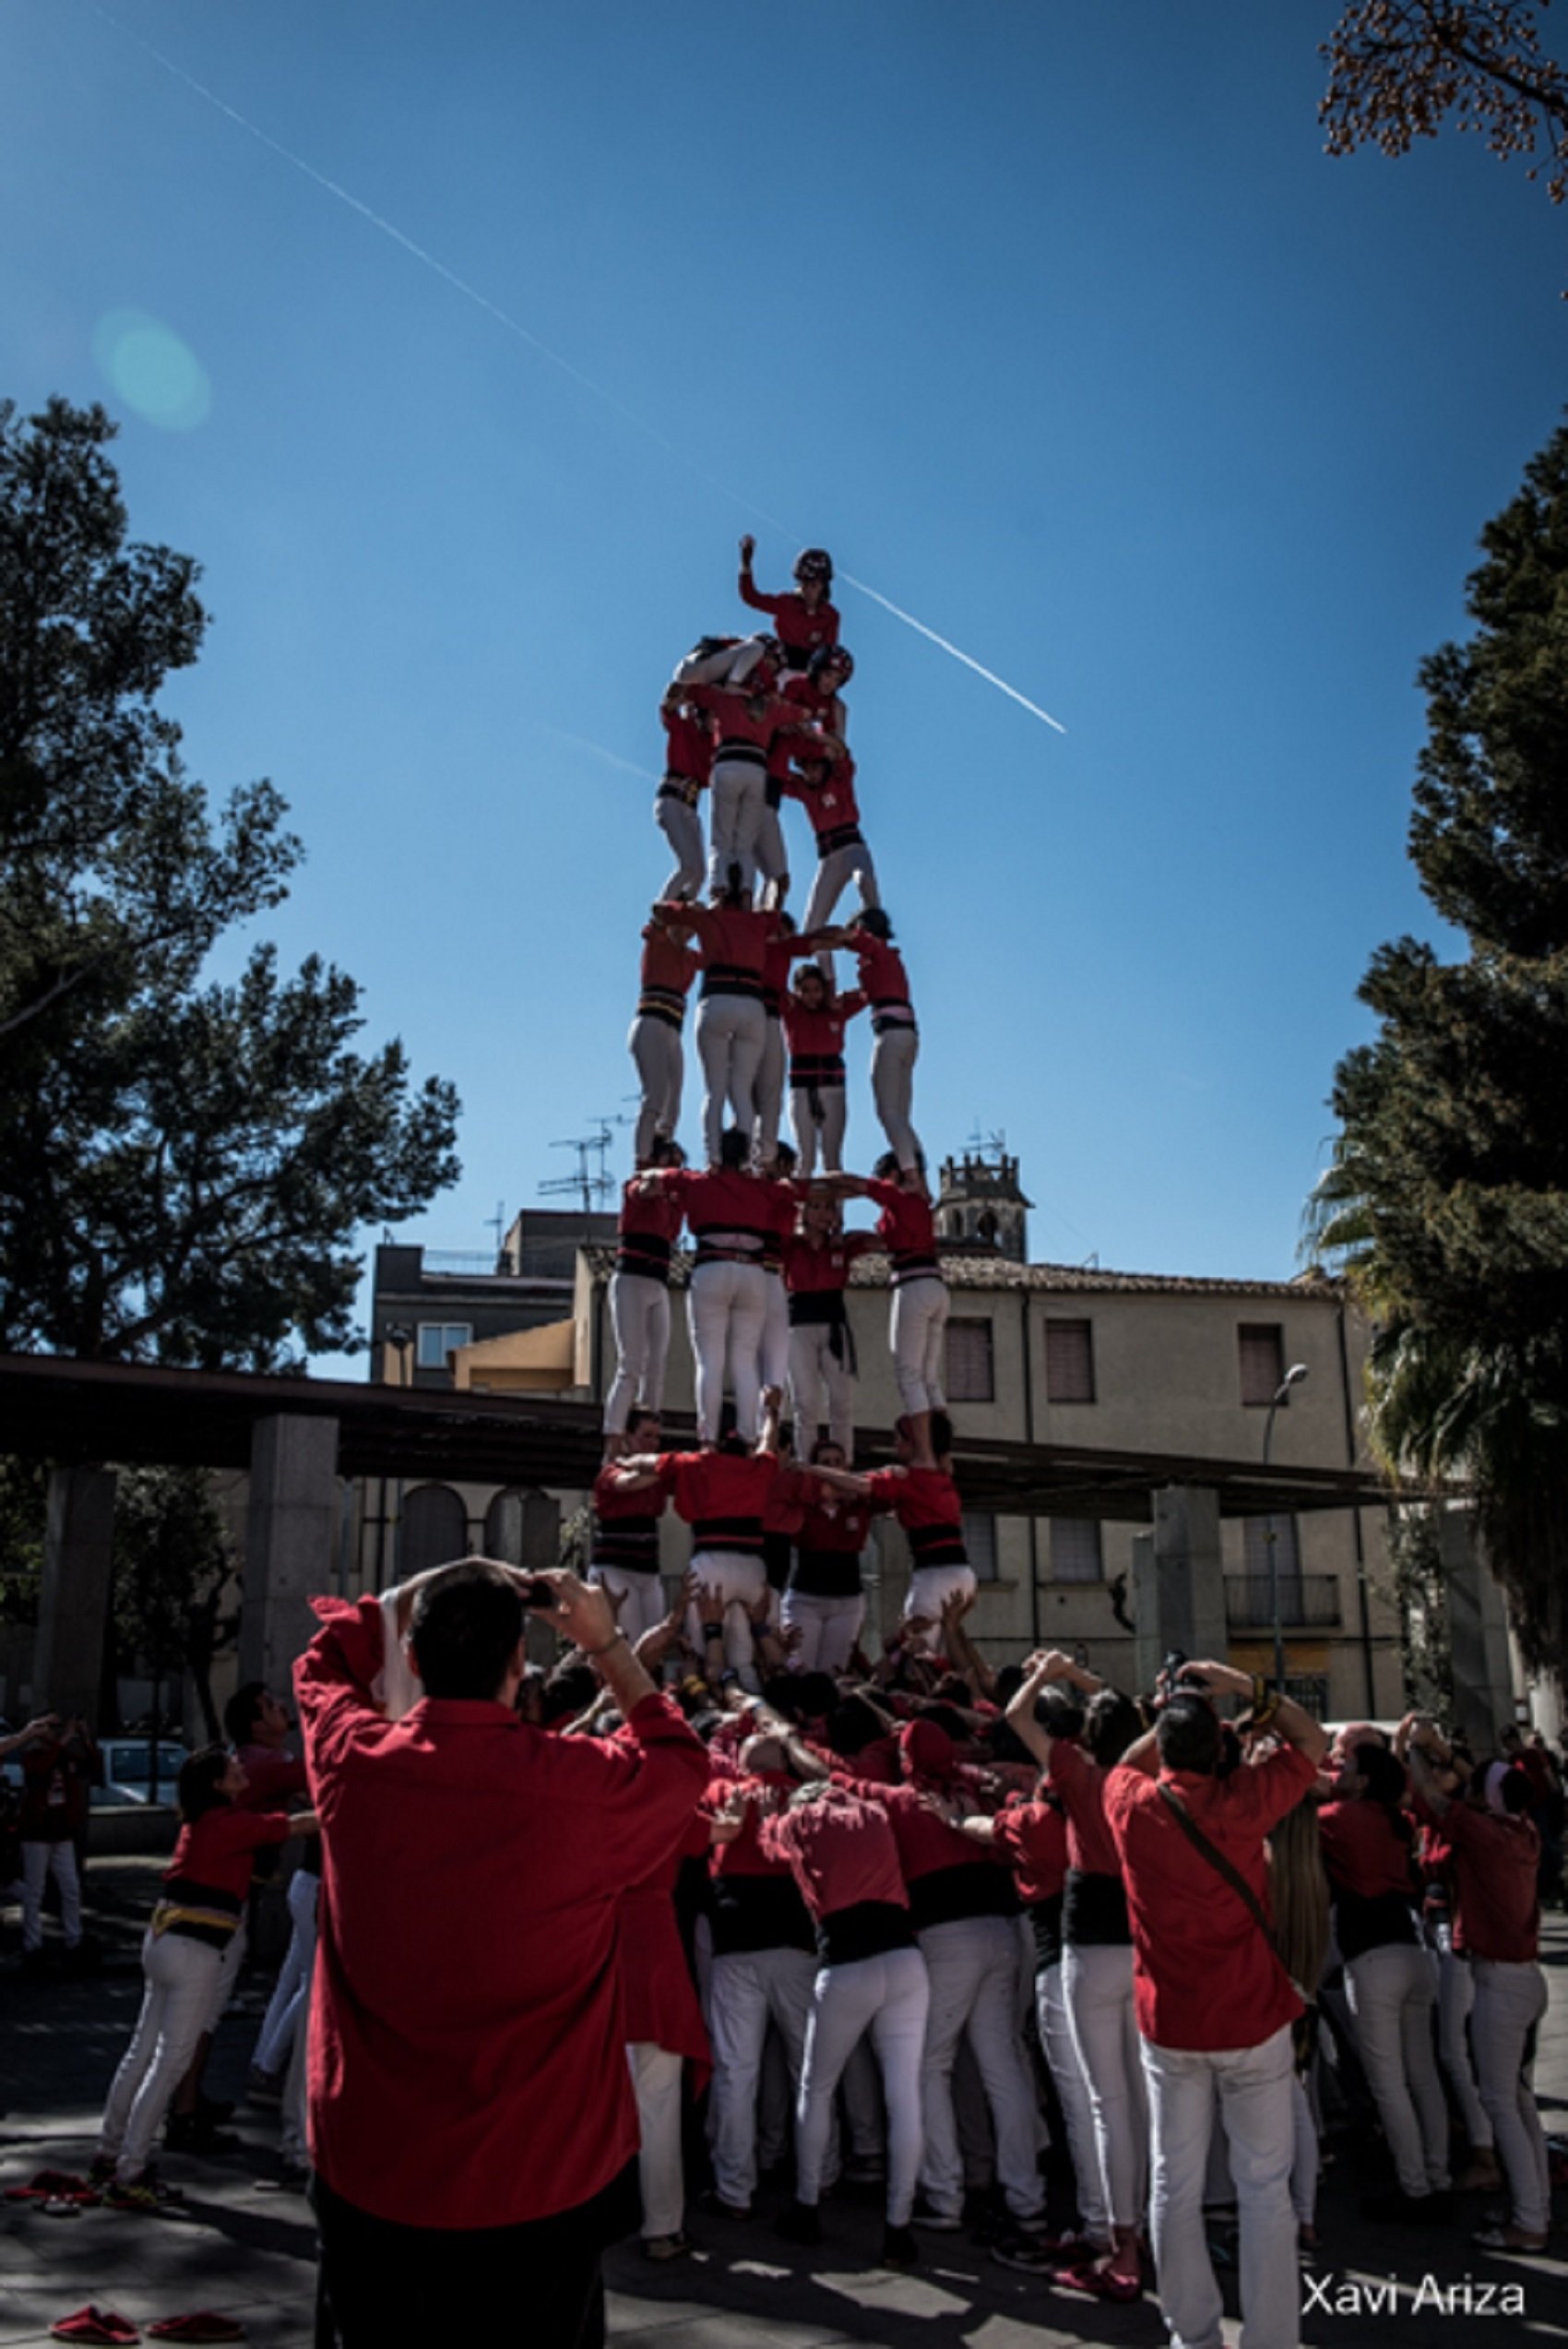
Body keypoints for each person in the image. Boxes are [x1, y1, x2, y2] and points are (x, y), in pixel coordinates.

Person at [295, 1557, 708, 2349]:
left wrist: (443, 1574)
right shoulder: (580, 1787)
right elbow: (680, 1761)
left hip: (376, 2168)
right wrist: (606, 1646)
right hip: (540, 2179)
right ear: (521, 1663)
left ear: (412, 1660)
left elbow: (325, 1659)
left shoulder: (356, 1766)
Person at [1103, 1662, 1329, 2349]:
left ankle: (1192, 2334)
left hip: (1171, 2022)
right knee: (1264, 2189)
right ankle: (1270, 2339)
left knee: (1175, 2179)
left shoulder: (1130, 1804)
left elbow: (1121, 1762)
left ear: (1164, 1749)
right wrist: (1238, 1685)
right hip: (1250, 2018)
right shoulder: (1244, 1802)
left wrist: (1171, 1706)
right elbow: (1312, 1742)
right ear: (1221, 1752)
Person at [92, 1745, 315, 2209]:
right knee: (171, 2062)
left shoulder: (201, 1822)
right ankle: (131, 2169)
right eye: (231, 1768)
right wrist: (341, 1802)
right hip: (195, 1948)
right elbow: (294, 1827)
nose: (240, 1767)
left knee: (141, 2051)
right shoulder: (227, 1824)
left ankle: (108, 2151)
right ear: (217, 1784)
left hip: (162, 1937)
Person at [1004, 1652, 1147, 2299]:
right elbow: (1139, 1714)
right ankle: (1144, 2226)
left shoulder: (1073, 1768)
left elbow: (1014, 1714)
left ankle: (1115, 2238)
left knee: (1104, 2101)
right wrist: (1092, 1684)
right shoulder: (1139, 1771)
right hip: (1139, 1937)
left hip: (1087, 1940)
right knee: (1144, 2097)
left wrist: (1049, 1675)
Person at [748, 1777, 930, 2271]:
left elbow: (768, 1847)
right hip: (905, 1958)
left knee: (817, 2087)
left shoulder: (801, 1821)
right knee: (905, 2095)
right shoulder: (873, 1814)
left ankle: (807, 2205)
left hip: (847, 1962)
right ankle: (899, 2226)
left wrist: (769, 1811)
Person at [1406, 1727, 1550, 2253]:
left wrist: (1415, 1752)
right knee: (1518, 2097)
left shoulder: (1484, 1836)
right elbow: (1486, 1785)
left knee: (1498, 2101)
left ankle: (1530, 2220)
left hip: (1500, 1981)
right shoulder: (1523, 1831)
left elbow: (1436, 1797)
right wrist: (1451, 1754)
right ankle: (1533, 2205)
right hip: (1527, 1978)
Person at [1318, 1740, 1450, 2220]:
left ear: (1365, 1779)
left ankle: (1413, 2186)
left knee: (1388, 2080)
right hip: (1412, 1947)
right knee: (1423, 2074)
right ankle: (1437, 2175)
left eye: (1347, 1765)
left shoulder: (1339, 1819)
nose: (1338, 1770)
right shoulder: (1396, 1822)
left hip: (1372, 1956)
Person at [703, 1730, 826, 2218]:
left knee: (736, 2071)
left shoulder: (723, 1792)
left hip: (735, 1940)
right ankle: (823, 2173)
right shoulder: (801, 1795)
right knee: (809, 2069)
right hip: (797, 1939)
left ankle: (734, 2187)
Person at [614, 1390, 786, 1680]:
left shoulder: (694, 1463)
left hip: (710, 1565)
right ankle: (751, 1702)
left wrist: (620, 1457)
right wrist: (771, 1412)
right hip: (752, 1567)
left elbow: (645, 1463)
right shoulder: (759, 1465)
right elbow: (769, 1441)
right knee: (744, 1657)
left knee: (702, 1651)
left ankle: (711, 1712)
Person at [638, 1130, 798, 1443]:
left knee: (710, 1360)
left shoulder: (696, 1181)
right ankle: (749, 1436)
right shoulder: (761, 1188)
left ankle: (708, 1438)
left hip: (711, 1265)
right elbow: (797, 1192)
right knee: (744, 1359)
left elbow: (654, 1176)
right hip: (753, 1270)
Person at [813, 1411, 974, 1641]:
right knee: (945, 1648)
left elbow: (859, 1484)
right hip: (963, 1574)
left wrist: (811, 1470)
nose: (895, 1444)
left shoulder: (909, 1478)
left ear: (914, 1442)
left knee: (918, 1651)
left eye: (899, 1438)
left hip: (933, 1574)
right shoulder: (943, 1476)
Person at [836, 1158, 947, 1458]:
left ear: (893, 1175)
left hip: (913, 1285)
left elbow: (856, 1183)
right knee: (929, 1377)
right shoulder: (918, 1205)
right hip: (936, 1285)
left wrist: (822, 1181)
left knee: (908, 1375)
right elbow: (882, 1241)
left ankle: (924, 1454)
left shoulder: (900, 1197)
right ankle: (943, 1453)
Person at [662, 887, 778, 1166]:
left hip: (717, 999)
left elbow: (662, 911)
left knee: (714, 1090)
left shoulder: (709, 918)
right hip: (752, 1004)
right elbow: (775, 912)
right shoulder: (758, 922)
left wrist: (690, 903)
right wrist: (772, 891)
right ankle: (746, 1159)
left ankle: (714, 1156)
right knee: (741, 1088)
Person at [783, 1186, 876, 1458]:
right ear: (804, 1211)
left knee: (841, 1403)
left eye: (829, 1207)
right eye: (817, 1207)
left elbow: (879, 1241)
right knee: (805, 1403)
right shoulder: (791, 1244)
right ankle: (806, 1464)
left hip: (834, 1321)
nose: (824, 1213)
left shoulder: (844, 1244)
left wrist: (841, 1227)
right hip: (798, 1323)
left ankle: (843, 1462)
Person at [605, 1148, 685, 1437]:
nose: (674, 1171)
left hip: (658, 1280)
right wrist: (657, 1178)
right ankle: (614, 1433)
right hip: (632, 1277)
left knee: (657, 1364)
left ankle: (649, 1428)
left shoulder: (675, 1203)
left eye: (679, 1166)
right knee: (631, 1363)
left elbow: (673, 1232)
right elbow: (643, 1190)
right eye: (670, 1164)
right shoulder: (637, 1186)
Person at [835, 909, 921, 1173]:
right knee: (901, 1118)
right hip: (908, 1033)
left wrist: (823, 936)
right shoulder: (888, 960)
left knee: (888, 1113)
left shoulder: (876, 952)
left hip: (891, 1034)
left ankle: (911, 1173)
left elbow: (852, 939)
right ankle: (918, 1169)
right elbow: (868, 994)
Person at [785, 744, 880, 972]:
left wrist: (822, 741)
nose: (811, 774)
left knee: (864, 880)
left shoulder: (840, 778)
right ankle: (828, 983)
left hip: (853, 848)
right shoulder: (803, 788)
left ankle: (875, 934)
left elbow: (842, 753)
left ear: (825, 767)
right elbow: (777, 775)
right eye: (806, 768)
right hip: (829, 859)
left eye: (815, 767)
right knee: (811, 930)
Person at [782, 1445, 878, 1672]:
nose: (832, 1467)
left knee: (833, 1672)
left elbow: (881, 1488)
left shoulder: (859, 1504)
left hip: (847, 1602)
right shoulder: (805, 1506)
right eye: (826, 1463)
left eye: (837, 1462)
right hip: (807, 1599)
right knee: (800, 1668)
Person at [16, 1712, 97, 1972]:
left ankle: (74, 1938)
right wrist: (63, 1740)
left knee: (70, 1888)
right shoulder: (33, 1757)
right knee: (34, 1890)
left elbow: (92, 1767)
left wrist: (84, 1738)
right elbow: (39, 1770)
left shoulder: (65, 1758)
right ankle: (32, 1943)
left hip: (62, 1833)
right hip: (37, 1833)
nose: (55, 1734)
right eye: (51, 1729)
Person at [588, 1411, 673, 1641]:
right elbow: (627, 1484)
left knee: (655, 1638)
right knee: (628, 1639)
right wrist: (667, 1468)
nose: (652, 1443)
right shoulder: (612, 1470)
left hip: (648, 1569)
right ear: (628, 1437)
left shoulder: (658, 1478)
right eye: (645, 1435)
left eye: (656, 1437)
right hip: (616, 1568)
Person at [629, 912, 702, 1164]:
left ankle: (663, 1145)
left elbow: (717, 954)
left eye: (691, 930)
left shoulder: (691, 957)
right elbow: (656, 916)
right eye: (681, 927)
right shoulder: (658, 942)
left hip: (673, 1029)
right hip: (651, 1022)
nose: (686, 934)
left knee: (674, 1098)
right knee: (656, 1093)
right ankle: (642, 1155)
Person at [782, 966, 868, 1175]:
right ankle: (800, 1207)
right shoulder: (792, 1010)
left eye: (817, 989)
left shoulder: (835, 1010)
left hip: (833, 1087)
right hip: (801, 1087)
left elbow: (868, 994)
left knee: (832, 1159)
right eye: (806, 990)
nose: (812, 996)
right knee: (806, 1159)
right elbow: (769, 987)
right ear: (797, 991)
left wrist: (839, 996)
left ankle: (836, 1209)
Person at [737, 538, 840, 672]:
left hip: (807, 669)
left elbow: (827, 654)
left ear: (823, 586)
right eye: (804, 584)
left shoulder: (830, 616)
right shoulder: (787, 603)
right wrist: (746, 564)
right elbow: (751, 597)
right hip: (781, 660)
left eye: (813, 585)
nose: (808, 590)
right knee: (760, 642)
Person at [655, 690, 713, 900]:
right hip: (672, 799)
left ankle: (682, 911)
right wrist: (682, 695)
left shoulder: (711, 746)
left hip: (690, 805)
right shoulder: (684, 728)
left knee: (700, 872)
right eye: (712, 717)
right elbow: (668, 710)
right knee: (688, 866)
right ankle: (662, 914)